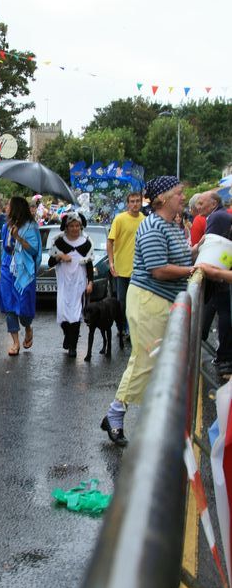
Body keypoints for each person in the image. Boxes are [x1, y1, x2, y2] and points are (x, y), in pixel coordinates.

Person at [100, 176, 195, 446]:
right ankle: (115, 415)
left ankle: (145, 419)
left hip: (162, 301)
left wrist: (200, 252)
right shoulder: (153, 226)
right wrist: (195, 270)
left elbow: (181, 257)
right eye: (178, 193)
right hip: (148, 301)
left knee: (153, 362)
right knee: (144, 361)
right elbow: (159, 269)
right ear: (162, 198)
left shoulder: (172, 225)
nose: (183, 197)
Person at [0, 196, 41, 356]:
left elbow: (33, 251)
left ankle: (27, 327)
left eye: (9, 205)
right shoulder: (5, 226)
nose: (6, 208)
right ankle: (15, 342)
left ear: (16, 208)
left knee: (23, 309)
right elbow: (5, 248)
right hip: (7, 268)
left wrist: (18, 238)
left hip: (24, 270)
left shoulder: (31, 227)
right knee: (9, 305)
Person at [48, 211, 94, 358]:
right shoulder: (59, 242)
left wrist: (90, 282)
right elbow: (50, 262)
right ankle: (67, 335)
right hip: (63, 283)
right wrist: (60, 256)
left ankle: (73, 347)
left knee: (76, 314)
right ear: (66, 227)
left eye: (77, 226)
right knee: (63, 314)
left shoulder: (86, 243)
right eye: (72, 226)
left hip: (79, 284)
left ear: (81, 227)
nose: (75, 229)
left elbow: (89, 264)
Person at [197, 191, 232, 376]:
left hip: (220, 278)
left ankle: (224, 357)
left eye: (202, 203)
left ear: (213, 203)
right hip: (221, 276)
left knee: (222, 313)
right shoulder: (219, 215)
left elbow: (213, 246)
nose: (198, 206)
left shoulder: (217, 217)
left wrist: (215, 272)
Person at [106, 191, 144, 336]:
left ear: (141, 203)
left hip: (140, 269)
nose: (135, 204)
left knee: (137, 301)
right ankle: (122, 326)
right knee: (122, 302)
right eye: (132, 201)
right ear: (128, 204)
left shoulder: (145, 219)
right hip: (122, 269)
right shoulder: (119, 219)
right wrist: (111, 263)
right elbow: (110, 241)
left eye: (137, 201)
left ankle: (132, 328)